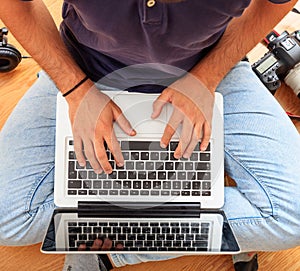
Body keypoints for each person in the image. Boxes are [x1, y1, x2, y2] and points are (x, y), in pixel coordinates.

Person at [0, 0, 300, 271]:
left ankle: (111, 253)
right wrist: (75, 89)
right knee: (6, 221)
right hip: (82, 68)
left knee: (293, 218)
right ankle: (211, 227)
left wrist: (206, 77)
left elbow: (278, 2)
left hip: (211, 67)